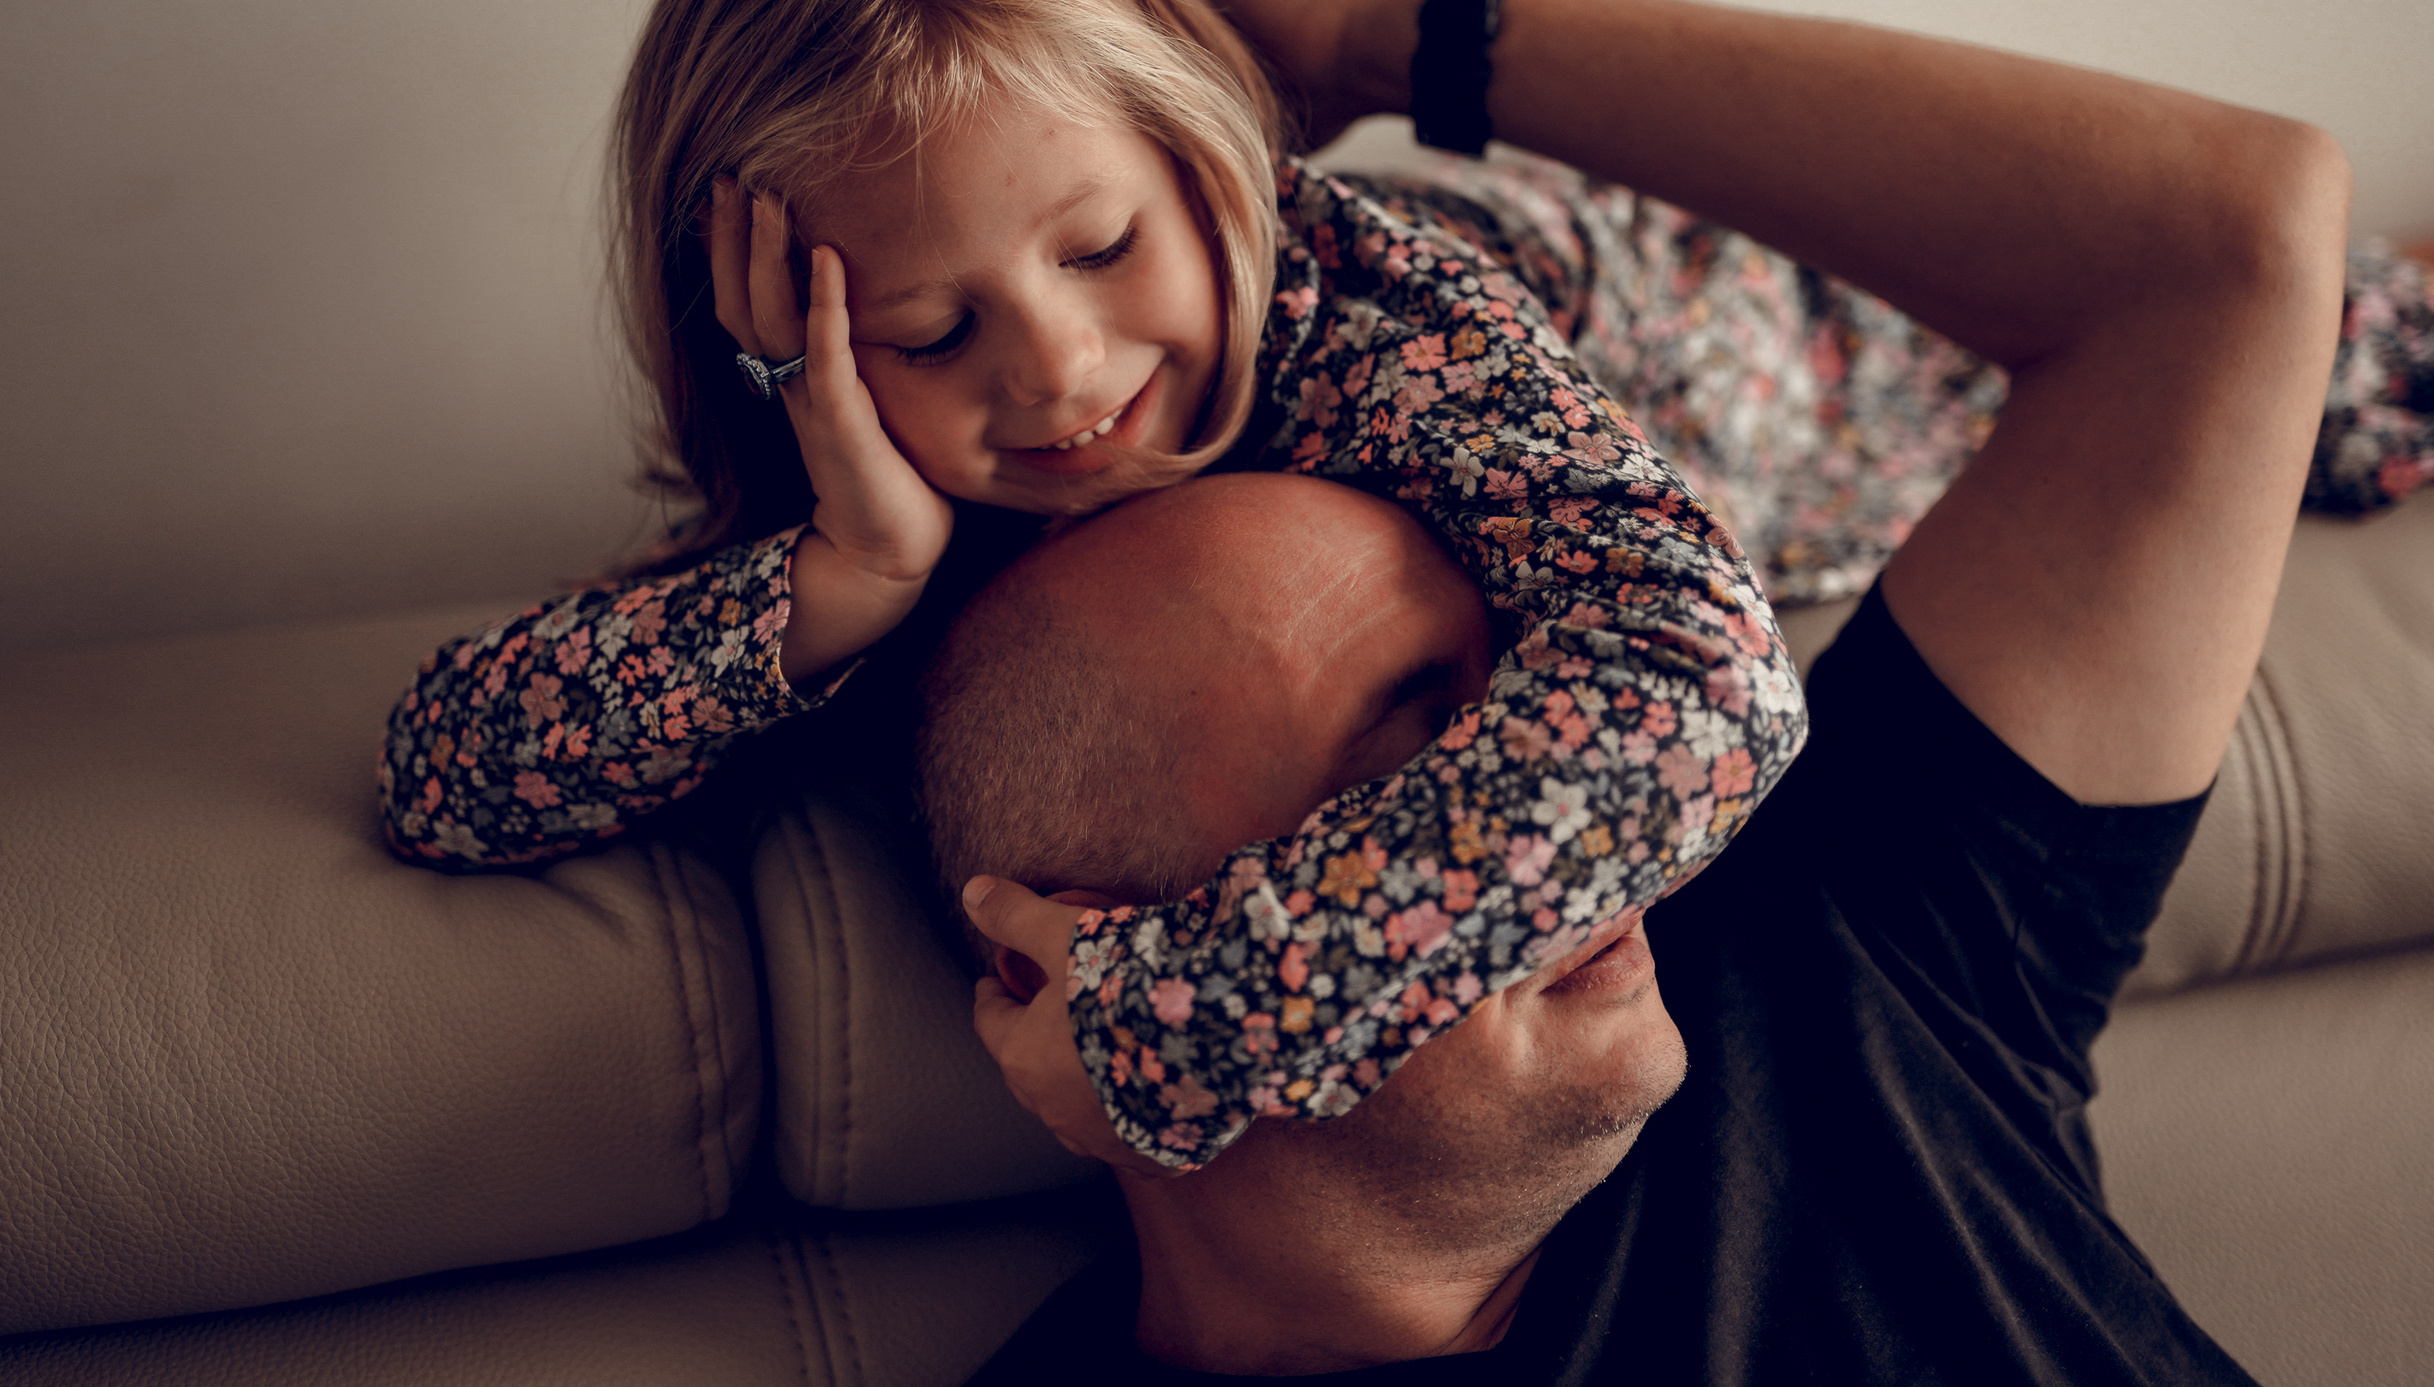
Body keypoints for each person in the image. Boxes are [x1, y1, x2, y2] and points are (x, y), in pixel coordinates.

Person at [375, 0, 2434, 1170]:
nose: (1056, 373)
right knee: (2405, 310)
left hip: (1762, 366)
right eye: (924, 332)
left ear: (1213, 169)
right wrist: (835, 572)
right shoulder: (848, 522)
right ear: (779, 336)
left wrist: (1189, 1009)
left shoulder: (1372, 305)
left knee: (2406, 360)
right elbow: (450, 774)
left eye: (1107, 248)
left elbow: (1703, 701)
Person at [926, 471, 2257, 1381]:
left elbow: (2230, 260)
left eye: (1551, 712)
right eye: (1439, 764)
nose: (1592, 819)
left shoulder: (1824, 937)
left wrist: (1392, 55)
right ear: (1087, 968)